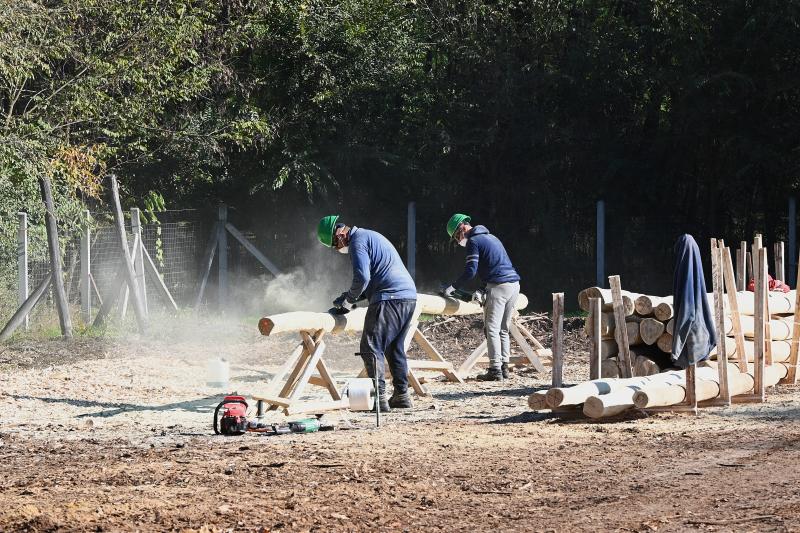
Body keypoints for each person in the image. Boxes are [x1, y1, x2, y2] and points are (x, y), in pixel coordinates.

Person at [317, 215, 418, 410]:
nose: (338, 249)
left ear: (339, 234)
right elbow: (374, 279)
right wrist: (350, 297)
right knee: (394, 347)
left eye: (335, 245)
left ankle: (378, 398)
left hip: (389, 298)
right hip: (408, 297)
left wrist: (348, 301)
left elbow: (362, 277)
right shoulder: (370, 236)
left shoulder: (357, 241)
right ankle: (401, 395)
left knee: (370, 346)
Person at [442, 213, 520, 381]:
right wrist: (483, 288)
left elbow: (471, 270)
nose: (457, 240)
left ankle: (494, 370)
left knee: (491, 328)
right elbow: (495, 264)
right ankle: (504, 367)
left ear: (462, 228)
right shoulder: (491, 237)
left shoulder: (474, 241)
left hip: (499, 286)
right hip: (514, 285)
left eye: (456, 236)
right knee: (503, 328)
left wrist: (452, 287)